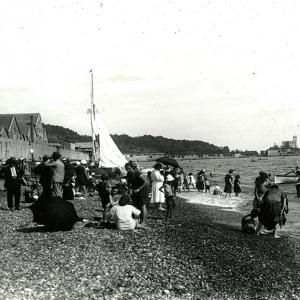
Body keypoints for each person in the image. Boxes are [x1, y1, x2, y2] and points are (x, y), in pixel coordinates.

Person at [125, 162, 149, 228]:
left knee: (142, 205)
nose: (127, 170)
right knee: (135, 205)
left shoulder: (138, 173)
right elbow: (128, 183)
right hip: (135, 190)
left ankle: (143, 223)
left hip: (143, 190)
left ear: (132, 168)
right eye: (126, 169)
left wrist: (139, 189)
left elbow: (146, 181)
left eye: (128, 168)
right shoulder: (128, 174)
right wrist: (129, 188)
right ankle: (137, 221)